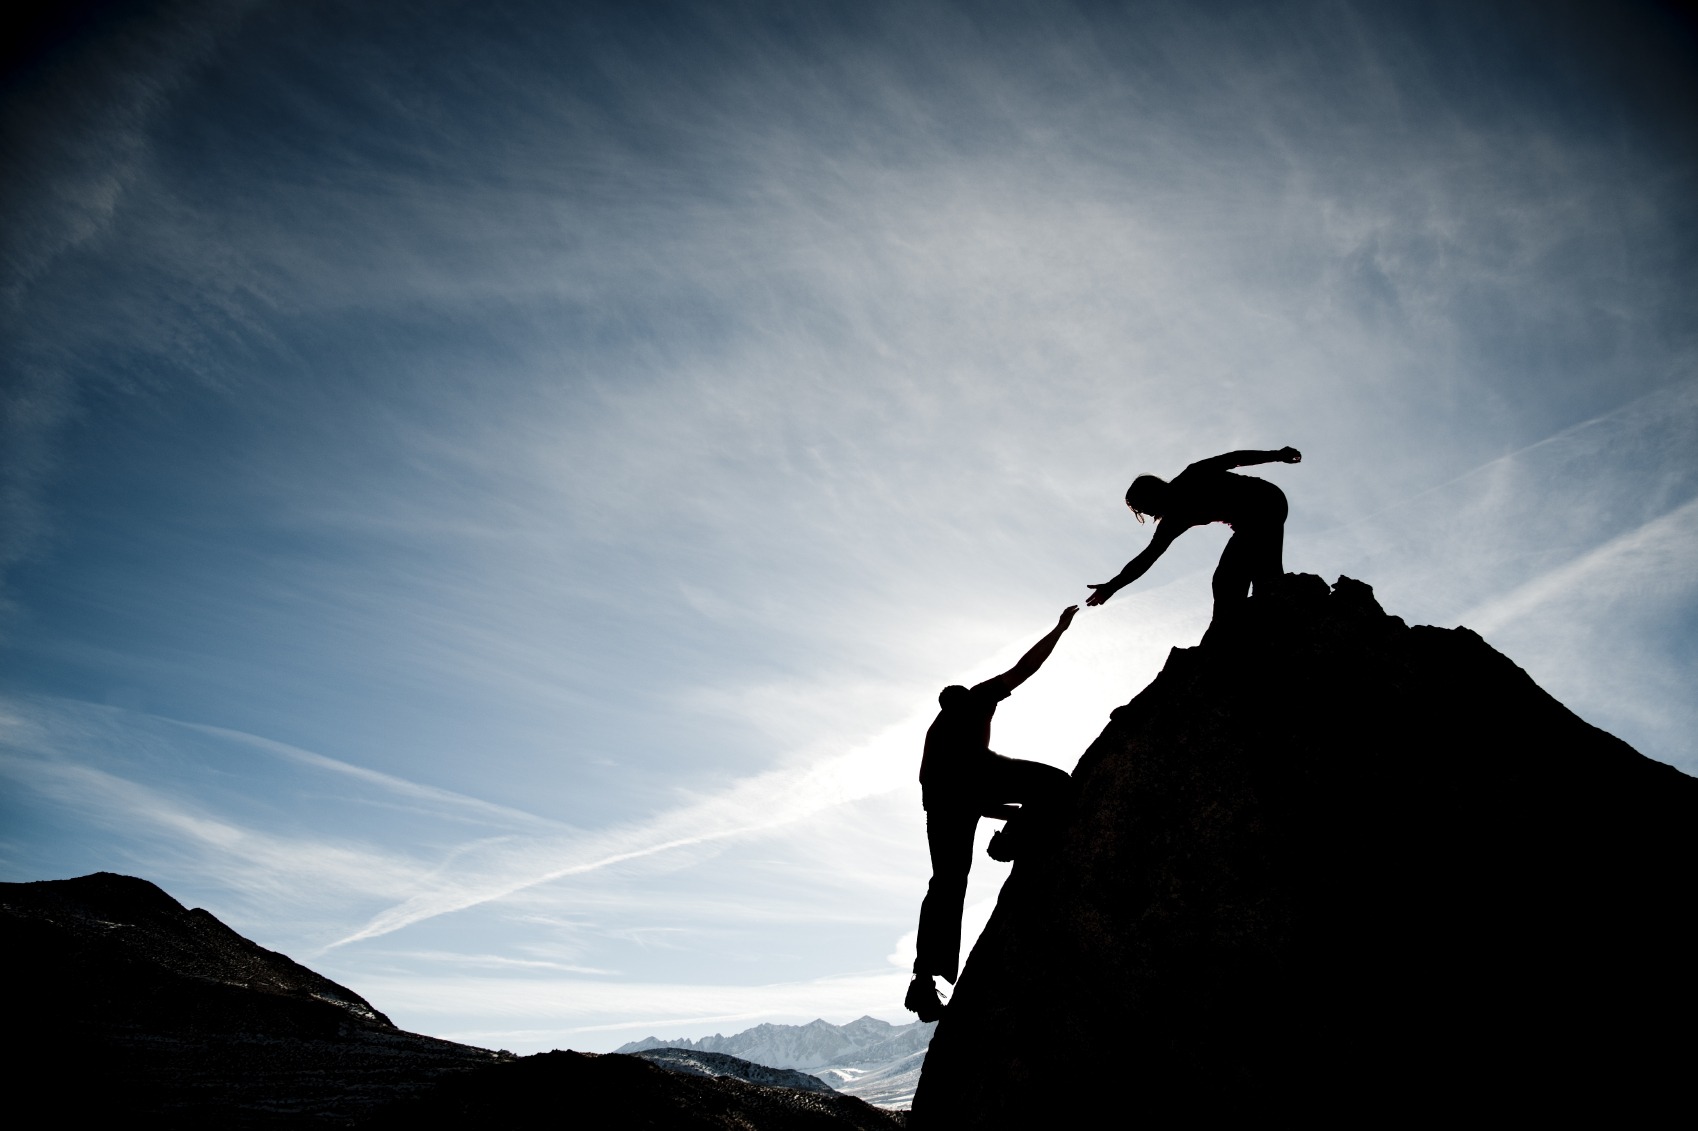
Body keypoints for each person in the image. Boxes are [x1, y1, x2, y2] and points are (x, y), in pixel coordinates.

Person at [905, 606, 1078, 1023]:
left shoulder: (950, 720)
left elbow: (946, 795)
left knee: (946, 884)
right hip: (967, 788)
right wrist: (1058, 630)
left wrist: (1006, 816)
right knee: (1055, 782)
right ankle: (1012, 839)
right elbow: (1025, 668)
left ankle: (924, 982)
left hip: (955, 797)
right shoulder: (967, 708)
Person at [1086, 447, 1302, 624]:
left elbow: (1234, 458)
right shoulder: (1173, 521)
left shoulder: (1192, 476)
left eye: (1143, 507)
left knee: (1228, 578)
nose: (1147, 513)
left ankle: (1232, 630)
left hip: (1264, 501)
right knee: (1258, 576)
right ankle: (1271, 615)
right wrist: (1111, 586)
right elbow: (1147, 558)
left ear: (1152, 494)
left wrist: (1278, 455)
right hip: (1254, 518)